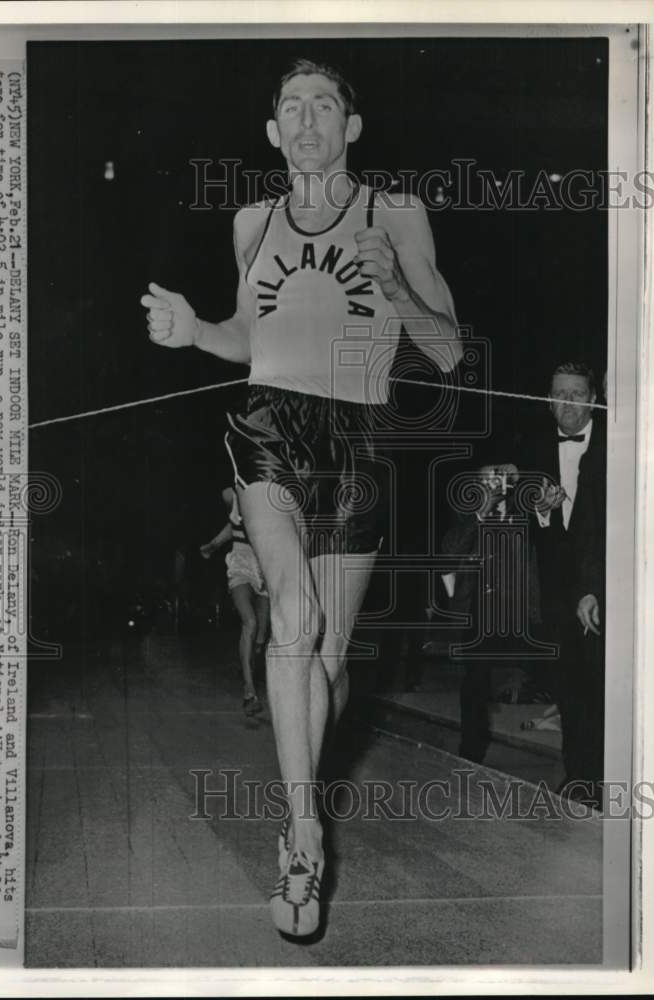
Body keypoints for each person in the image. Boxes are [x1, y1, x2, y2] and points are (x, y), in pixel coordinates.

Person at [142, 58, 460, 937]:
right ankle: (302, 833)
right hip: (268, 428)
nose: (310, 120)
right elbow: (248, 334)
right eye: (293, 108)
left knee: (324, 664)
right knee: (293, 620)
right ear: (275, 134)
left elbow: (442, 353)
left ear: (350, 127)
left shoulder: (394, 213)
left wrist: (393, 282)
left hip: (358, 436)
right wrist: (194, 331)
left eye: (326, 105)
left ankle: (302, 781)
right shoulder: (253, 221)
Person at [526, 361, 606, 807]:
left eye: (576, 393)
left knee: (602, 686)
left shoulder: (618, 444)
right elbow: (532, 518)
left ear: (593, 398)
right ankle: (579, 778)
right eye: (559, 393)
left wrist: (597, 588)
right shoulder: (536, 446)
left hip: (604, 589)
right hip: (559, 593)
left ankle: (605, 777)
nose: (567, 402)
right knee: (570, 689)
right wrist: (540, 507)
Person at [441, 460, 539, 763]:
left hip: (519, 612)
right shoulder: (467, 518)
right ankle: (471, 751)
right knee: (475, 682)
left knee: (548, 674)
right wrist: (480, 514)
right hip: (480, 612)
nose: (493, 486)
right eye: (485, 482)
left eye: (499, 480)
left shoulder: (525, 514)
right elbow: (448, 553)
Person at [201, 487, 269, 715]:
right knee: (249, 622)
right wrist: (214, 544)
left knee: (260, 638)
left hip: (265, 567)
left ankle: (249, 667)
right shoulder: (232, 494)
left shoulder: (273, 495)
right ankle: (249, 691)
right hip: (240, 562)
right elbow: (235, 523)